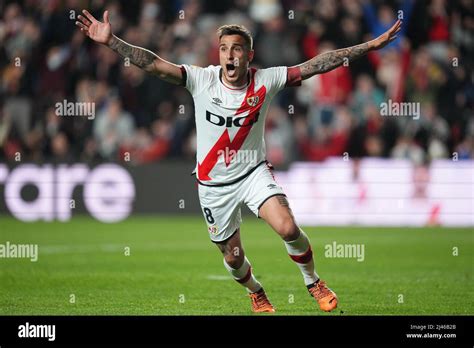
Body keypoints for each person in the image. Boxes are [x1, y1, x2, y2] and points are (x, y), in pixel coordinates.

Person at [76, 10, 401, 313]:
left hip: (253, 173)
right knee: (233, 258)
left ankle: (312, 281)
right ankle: (255, 291)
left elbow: (319, 63)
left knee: (287, 227)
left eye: (236, 49)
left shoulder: (267, 80)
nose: (229, 55)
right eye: (223, 49)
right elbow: (152, 64)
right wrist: (113, 43)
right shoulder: (201, 79)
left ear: (249, 55)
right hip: (213, 185)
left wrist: (371, 45)